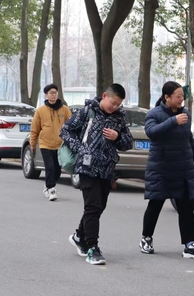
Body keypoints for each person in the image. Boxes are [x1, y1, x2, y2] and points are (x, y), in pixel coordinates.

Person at [62, 84, 133, 265]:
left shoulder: (119, 118)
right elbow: (65, 130)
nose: (114, 107)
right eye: (113, 103)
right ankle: (92, 248)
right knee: (93, 206)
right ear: (104, 96)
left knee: (99, 206)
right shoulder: (87, 111)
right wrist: (80, 148)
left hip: (107, 168)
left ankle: (79, 236)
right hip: (87, 167)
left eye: (118, 104)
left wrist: (117, 136)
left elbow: (128, 143)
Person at [139, 81, 194, 259]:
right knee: (155, 204)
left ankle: (189, 244)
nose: (181, 99)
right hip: (161, 168)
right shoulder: (154, 114)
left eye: (182, 96)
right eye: (178, 96)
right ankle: (146, 238)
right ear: (167, 97)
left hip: (182, 168)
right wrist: (173, 121)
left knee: (186, 206)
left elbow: (188, 138)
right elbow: (151, 132)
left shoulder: (185, 114)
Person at [29, 84, 72, 201]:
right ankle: (51, 189)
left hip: (59, 145)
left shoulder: (65, 110)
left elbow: (71, 126)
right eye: (51, 93)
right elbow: (35, 129)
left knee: (57, 170)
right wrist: (32, 143)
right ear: (46, 95)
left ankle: (47, 185)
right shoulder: (40, 111)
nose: (54, 95)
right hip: (45, 144)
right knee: (50, 167)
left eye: (55, 93)